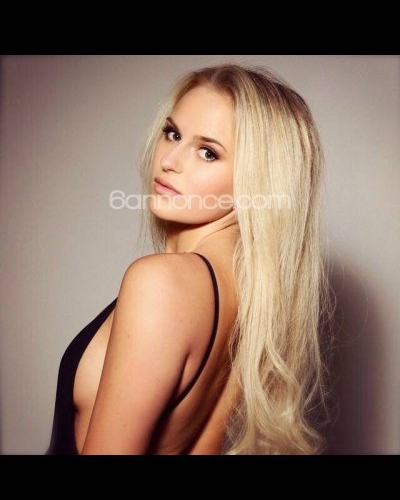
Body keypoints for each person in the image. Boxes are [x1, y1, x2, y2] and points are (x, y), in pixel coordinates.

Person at [46, 64, 335, 455]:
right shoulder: (251, 298)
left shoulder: (160, 283)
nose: (170, 160)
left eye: (208, 152)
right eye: (173, 134)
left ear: (259, 178)